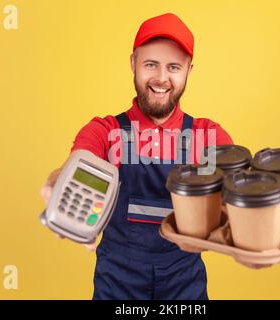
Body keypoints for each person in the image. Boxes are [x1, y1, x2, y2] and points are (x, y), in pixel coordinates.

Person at [40, 13, 233, 300]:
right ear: (133, 63)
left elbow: (240, 191)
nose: (161, 78)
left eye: (174, 67)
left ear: (189, 71)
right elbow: (77, 163)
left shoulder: (209, 136)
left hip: (184, 284)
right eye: (151, 64)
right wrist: (59, 182)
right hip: (116, 281)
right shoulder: (104, 130)